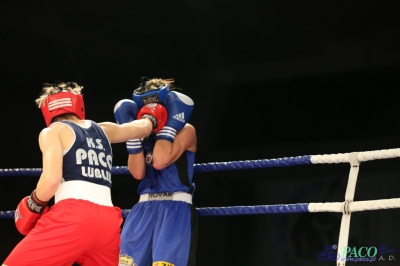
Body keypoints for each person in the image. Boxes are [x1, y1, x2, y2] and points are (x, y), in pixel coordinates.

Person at [3, 81, 168, 266]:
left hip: (72, 217)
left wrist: (33, 204)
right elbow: (144, 128)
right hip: (109, 223)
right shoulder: (104, 129)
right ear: (78, 105)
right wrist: (155, 112)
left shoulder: (52, 131)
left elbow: (51, 180)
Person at [114, 77, 198, 266]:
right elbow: (137, 173)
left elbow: (159, 161)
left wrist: (168, 127)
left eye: (156, 106)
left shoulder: (186, 131)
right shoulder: (144, 136)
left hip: (174, 209)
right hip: (142, 208)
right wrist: (133, 137)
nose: (151, 113)